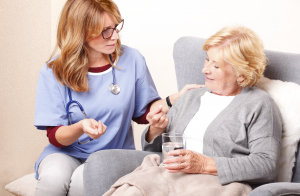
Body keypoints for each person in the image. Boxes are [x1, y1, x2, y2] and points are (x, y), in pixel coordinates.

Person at [84, 25, 282, 196]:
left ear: (241, 74)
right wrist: (156, 129)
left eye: (216, 66)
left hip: (214, 184)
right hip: (165, 176)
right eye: (207, 60)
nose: (205, 69)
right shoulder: (191, 96)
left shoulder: (259, 104)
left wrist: (204, 165)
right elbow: (153, 150)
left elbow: (266, 165)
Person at [33, 0, 200, 195]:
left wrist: (174, 99)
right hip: (66, 152)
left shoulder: (132, 59)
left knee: (82, 180)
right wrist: (80, 127)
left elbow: (144, 113)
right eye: (105, 30)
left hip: (112, 154)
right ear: (81, 32)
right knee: (52, 179)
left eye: (115, 27)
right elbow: (55, 136)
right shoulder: (53, 70)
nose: (114, 35)